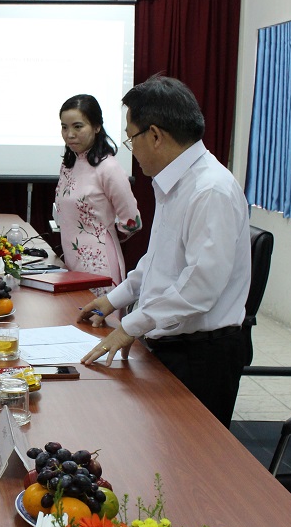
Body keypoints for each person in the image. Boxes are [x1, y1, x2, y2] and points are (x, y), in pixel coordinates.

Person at [77, 75, 251, 427]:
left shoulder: (209, 190)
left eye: (131, 139)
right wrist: (115, 298)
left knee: (190, 454)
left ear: (155, 135)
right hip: (173, 342)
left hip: (202, 354)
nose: (132, 150)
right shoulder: (175, 182)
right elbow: (158, 261)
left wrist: (131, 326)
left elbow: (199, 288)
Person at [54, 94, 141, 290]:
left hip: (99, 264)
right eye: (64, 127)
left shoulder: (108, 167)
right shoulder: (69, 164)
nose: (69, 134)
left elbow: (132, 221)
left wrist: (103, 232)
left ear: (96, 127)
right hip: (71, 261)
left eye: (78, 127)